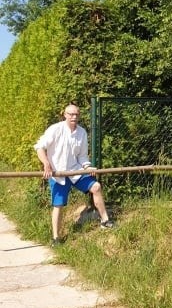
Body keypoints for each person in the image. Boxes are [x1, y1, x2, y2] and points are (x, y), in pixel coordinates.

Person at [34, 102, 114, 245]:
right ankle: (56, 238)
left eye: (76, 114)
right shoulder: (55, 129)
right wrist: (46, 164)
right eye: (71, 114)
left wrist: (88, 167)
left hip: (75, 171)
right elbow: (40, 147)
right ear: (65, 115)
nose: (74, 117)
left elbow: (82, 156)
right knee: (58, 205)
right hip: (58, 173)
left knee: (96, 187)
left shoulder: (82, 132)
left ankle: (105, 221)